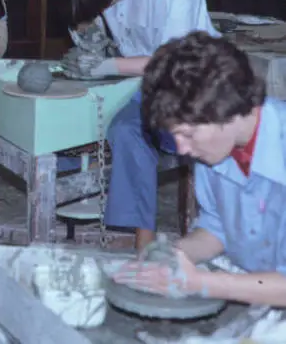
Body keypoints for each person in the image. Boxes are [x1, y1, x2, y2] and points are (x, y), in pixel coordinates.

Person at [60, 0, 219, 251]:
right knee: (73, 122)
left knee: (131, 132)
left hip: (190, 82)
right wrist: (86, 37)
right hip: (139, 80)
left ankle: (143, 248)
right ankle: (91, 203)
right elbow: (86, 10)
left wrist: (107, 67)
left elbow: (173, 61)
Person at [113, 31, 286, 307]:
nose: (181, 149)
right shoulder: (215, 150)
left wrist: (201, 283)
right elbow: (219, 227)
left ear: (225, 110)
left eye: (188, 134)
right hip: (256, 287)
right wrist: (172, 256)